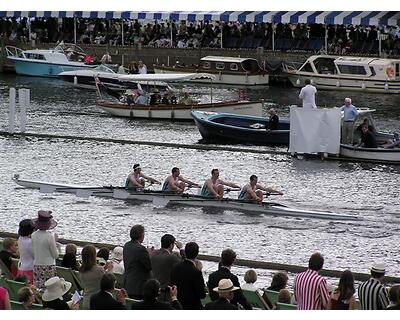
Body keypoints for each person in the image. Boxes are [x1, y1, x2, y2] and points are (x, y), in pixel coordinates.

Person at [170, 242, 207, 309]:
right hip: (193, 306)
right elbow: (202, 295)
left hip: (178, 303)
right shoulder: (196, 272)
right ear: (197, 253)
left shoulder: (175, 268)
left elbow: (172, 285)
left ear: (186, 252)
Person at [150, 234, 184, 302]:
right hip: (165, 293)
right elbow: (184, 265)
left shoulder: (153, 254)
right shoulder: (171, 258)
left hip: (153, 290)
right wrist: (181, 249)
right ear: (171, 245)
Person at [31, 210, 60, 290]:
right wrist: (55, 242)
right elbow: (55, 255)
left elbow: (33, 252)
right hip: (48, 266)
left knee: (38, 289)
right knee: (50, 290)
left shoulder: (33, 235)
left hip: (37, 265)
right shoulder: (49, 236)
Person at [123, 224, 152, 300]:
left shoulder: (126, 245)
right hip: (138, 287)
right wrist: (149, 254)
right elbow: (149, 266)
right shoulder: (141, 249)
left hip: (127, 283)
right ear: (141, 235)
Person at [79, 245, 112, 309]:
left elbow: (92, 275)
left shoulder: (81, 270)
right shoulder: (99, 270)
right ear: (94, 256)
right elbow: (109, 281)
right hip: (97, 302)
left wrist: (104, 269)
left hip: (86, 300)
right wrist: (110, 270)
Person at [16, 219, 35, 284]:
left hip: (22, 267)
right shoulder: (30, 242)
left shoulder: (20, 239)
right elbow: (35, 255)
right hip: (30, 268)